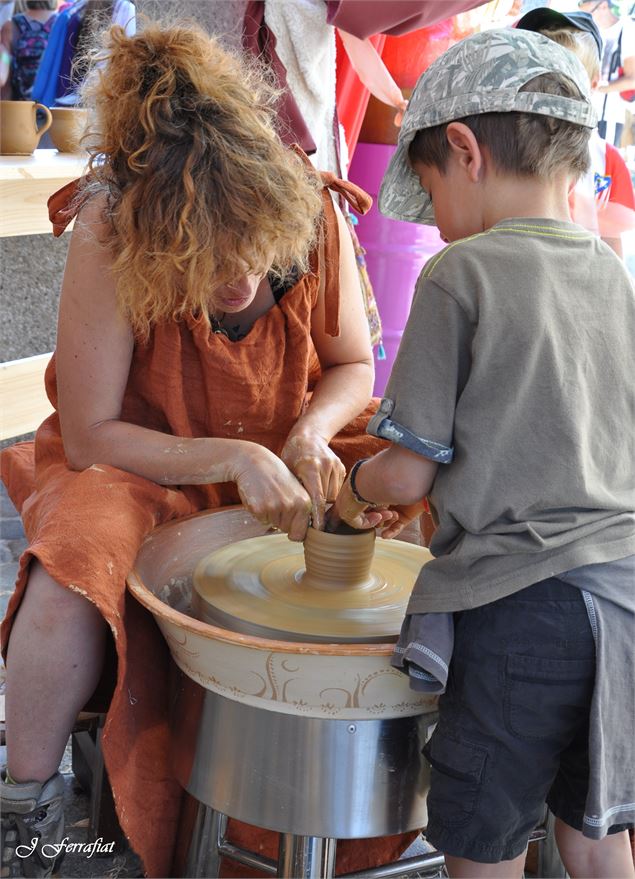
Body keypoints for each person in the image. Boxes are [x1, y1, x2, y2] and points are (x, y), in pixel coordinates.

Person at [0, 20, 406, 879]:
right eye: (206, 261)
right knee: (70, 565)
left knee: (426, 497)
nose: (238, 279)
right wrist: (231, 458)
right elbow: (91, 432)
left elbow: (350, 365)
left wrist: (306, 432)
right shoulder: (114, 222)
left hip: (290, 440)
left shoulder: (303, 200)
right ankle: (25, 807)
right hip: (142, 453)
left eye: (253, 252)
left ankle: (436, 759)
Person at [332, 28, 635, 879]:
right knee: (595, 833)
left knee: (483, 842)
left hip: (520, 608)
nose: (434, 220)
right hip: (623, 598)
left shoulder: (458, 275)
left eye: (430, 190)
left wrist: (350, 496)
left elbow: (406, 472)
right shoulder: (611, 270)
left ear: (463, 151)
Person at [516, 5, 635, 257]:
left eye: (566, 83)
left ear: (593, 84)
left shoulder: (607, 161)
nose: (553, 93)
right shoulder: (506, 144)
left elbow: (612, 245)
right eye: (541, 78)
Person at [579, 0, 635, 145]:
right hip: (588, 113)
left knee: (601, 158)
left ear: (603, 5)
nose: (586, 20)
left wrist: (600, 87)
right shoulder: (595, 32)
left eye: (588, 14)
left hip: (609, 116)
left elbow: (632, 80)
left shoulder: (627, 29)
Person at [0, 0, 57, 100]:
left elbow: (4, 77)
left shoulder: (11, 25)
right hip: (53, 103)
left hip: (20, 104)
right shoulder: (63, 22)